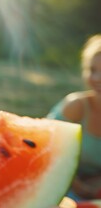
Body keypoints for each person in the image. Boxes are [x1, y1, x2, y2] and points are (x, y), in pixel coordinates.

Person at [47, 34, 101, 200]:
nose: (97, 78)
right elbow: (46, 149)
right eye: (92, 70)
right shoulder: (76, 106)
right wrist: (78, 186)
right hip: (60, 184)